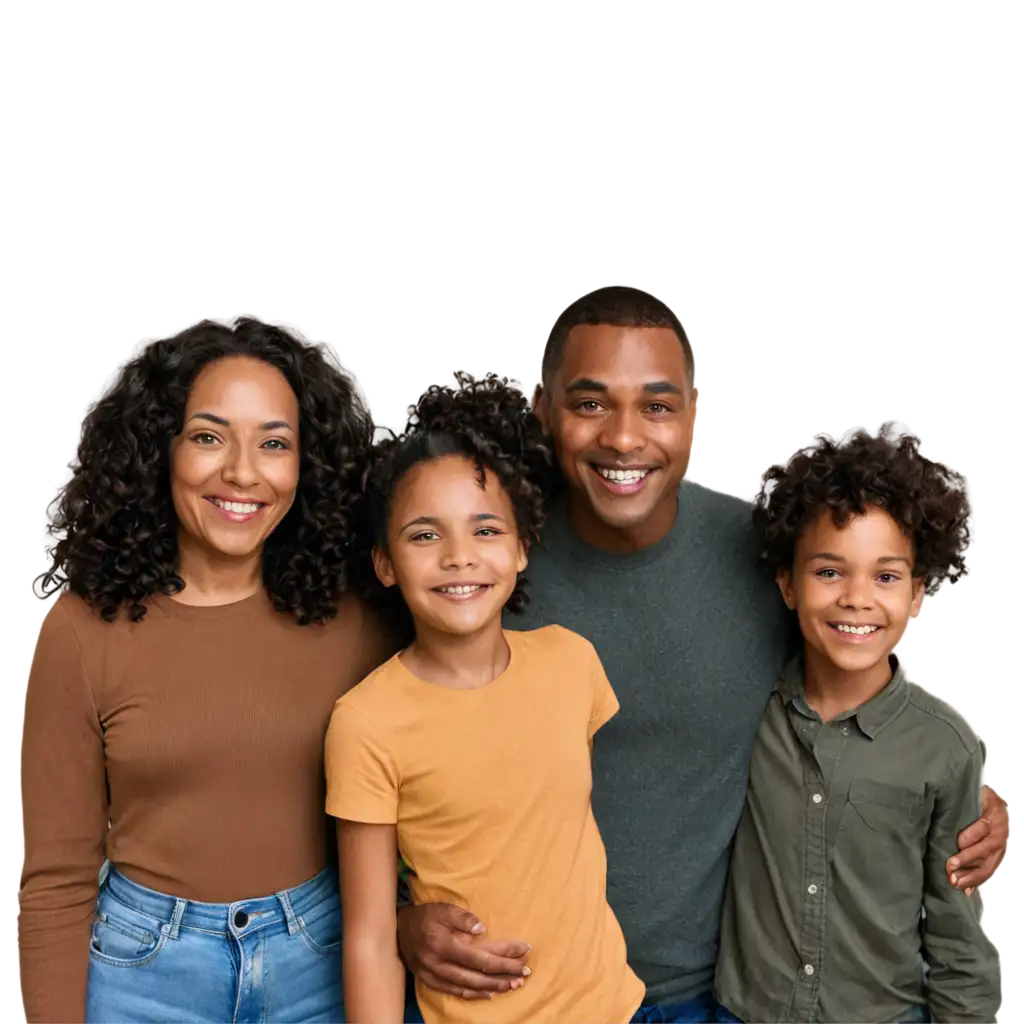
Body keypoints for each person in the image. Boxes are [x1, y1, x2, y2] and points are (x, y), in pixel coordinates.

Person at [393, 282, 1009, 1023]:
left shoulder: (764, 550)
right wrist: (399, 918)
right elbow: (386, 739)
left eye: (656, 405)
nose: (624, 438)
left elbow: (860, 675)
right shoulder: (480, 567)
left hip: (713, 998)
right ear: (543, 410)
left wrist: (958, 799)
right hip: (526, 996)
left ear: (692, 417)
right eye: (590, 403)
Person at [17, 320, 395, 1024]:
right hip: (142, 973)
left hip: (320, 959)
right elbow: (55, 879)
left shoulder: (358, 616)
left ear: (305, 465)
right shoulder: (77, 628)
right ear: (159, 451)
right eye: (209, 436)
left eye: (274, 443)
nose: (243, 473)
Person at [324, 376, 646, 1024]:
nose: (458, 558)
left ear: (523, 546)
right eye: (424, 536)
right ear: (385, 562)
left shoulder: (572, 663)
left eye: (485, 530)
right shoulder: (365, 723)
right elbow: (368, 935)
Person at [714, 431, 1000, 1024]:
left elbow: (955, 935)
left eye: (887, 577)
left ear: (918, 593)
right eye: (829, 572)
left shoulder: (944, 747)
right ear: (787, 585)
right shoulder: (746, 711)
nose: (857, 599)